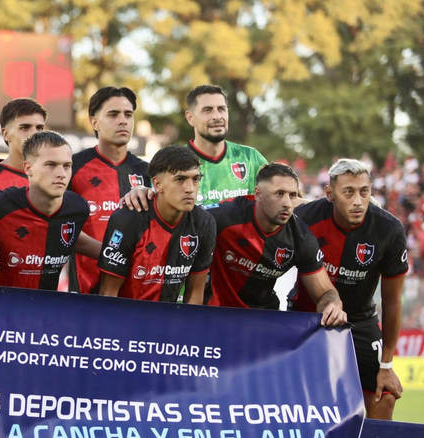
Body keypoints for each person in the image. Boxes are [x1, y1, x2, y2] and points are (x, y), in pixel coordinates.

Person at [290, 159, 407, 419]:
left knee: (384, 396)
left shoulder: (389, 229)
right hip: (305, 318)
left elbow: (393, 301)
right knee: (304, 403)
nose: (358, 200)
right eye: (349, 192)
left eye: (364, 191)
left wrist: (387, 365)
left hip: (360, 320)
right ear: (330, 194)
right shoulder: (305, 218)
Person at [205, 163, 347, 326]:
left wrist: (333, 305)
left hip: (262, 320)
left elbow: (325, 292)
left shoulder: (301, 237)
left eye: (292, 195)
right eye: (279, 194)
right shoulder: (224, 217)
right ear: (258, 194)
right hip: (214, 315)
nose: (287, 203)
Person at [97, 146, 215, 302]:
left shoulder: (204, 223)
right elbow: (108, 294)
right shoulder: (128, 220)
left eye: (195, 179)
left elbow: (194, 293)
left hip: (170, 321)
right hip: (126, 319)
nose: (190, 189)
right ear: (157, 184)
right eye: (180, 180)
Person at [124, 84, 267, 211]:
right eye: (207, 110)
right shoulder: (171, 163)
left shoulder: (250, 158)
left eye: (222, 109)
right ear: (190, 117)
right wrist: (141, 190)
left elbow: (278, 196)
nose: (217, 116)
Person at [0, 131, 89, 291]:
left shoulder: (78, 209)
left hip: (46, 311)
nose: (61, 174)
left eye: (67, 166)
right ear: (28, 168)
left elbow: (75, 240)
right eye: (51, 165)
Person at [69, 86, 149, 294]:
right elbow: (62, 227)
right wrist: (112, 254)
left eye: (128, 114)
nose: (123, 120)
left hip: (137, 292)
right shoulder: (71, 167)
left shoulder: (148, 173)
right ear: (94, 122)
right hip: (87, 292)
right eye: (113, 114)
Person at [0, 98, 47, 195]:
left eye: (39, 128)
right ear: (6, 134)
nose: (34, 134)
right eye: (25, 128)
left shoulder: (57, 177)